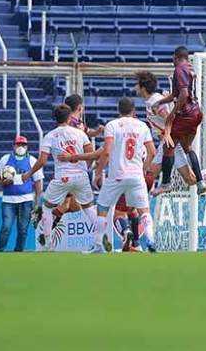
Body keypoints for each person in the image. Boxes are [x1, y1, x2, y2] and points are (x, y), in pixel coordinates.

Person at [59, 97, 156, 254]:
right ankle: (150, 240)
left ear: (118, 110)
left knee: (103, 209)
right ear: (133, 111)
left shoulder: (112, 126)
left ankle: (98, 245)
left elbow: (106, 152)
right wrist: (143, 170)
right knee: (143, 211)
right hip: (137, 176)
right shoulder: (142, 126)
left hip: (117, 176)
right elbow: (153, 152)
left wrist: (98, 173)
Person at [21, 104, 108, 252]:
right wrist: (85, 168)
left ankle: (48, 243)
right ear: (69, 117)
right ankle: (100, 237)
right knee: (88, 208)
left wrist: (28, 174)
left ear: (55, 118)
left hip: (62, 177)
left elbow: (42, 161)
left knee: (47, 207)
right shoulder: (80, 134)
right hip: (81, 176)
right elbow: (91, 154)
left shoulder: (50, 136)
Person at [151, 46, 206, 195]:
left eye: (173, 58)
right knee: (187, 147)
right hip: (196, 113)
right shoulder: (190, 69)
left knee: (168, 146)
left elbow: (183, 94)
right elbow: (176, 95)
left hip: (186, 114)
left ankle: (165, 184)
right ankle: (200, 181)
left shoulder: (180, 69)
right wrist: (161, 102)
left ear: (176, 57)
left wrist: (172, 114)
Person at [0, 135, 43, 252]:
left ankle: (18, 251)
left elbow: (38, 183)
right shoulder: (5, 159)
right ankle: (0, 250)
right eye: (18, 144)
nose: (20, 147)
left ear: (27, 147)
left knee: (23, 229)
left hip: (26, 200)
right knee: (6, 226)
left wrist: (37, 202)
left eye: (23, 145)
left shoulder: (32, 160)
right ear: (14, 146)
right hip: (8, 200)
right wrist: (3, 182)